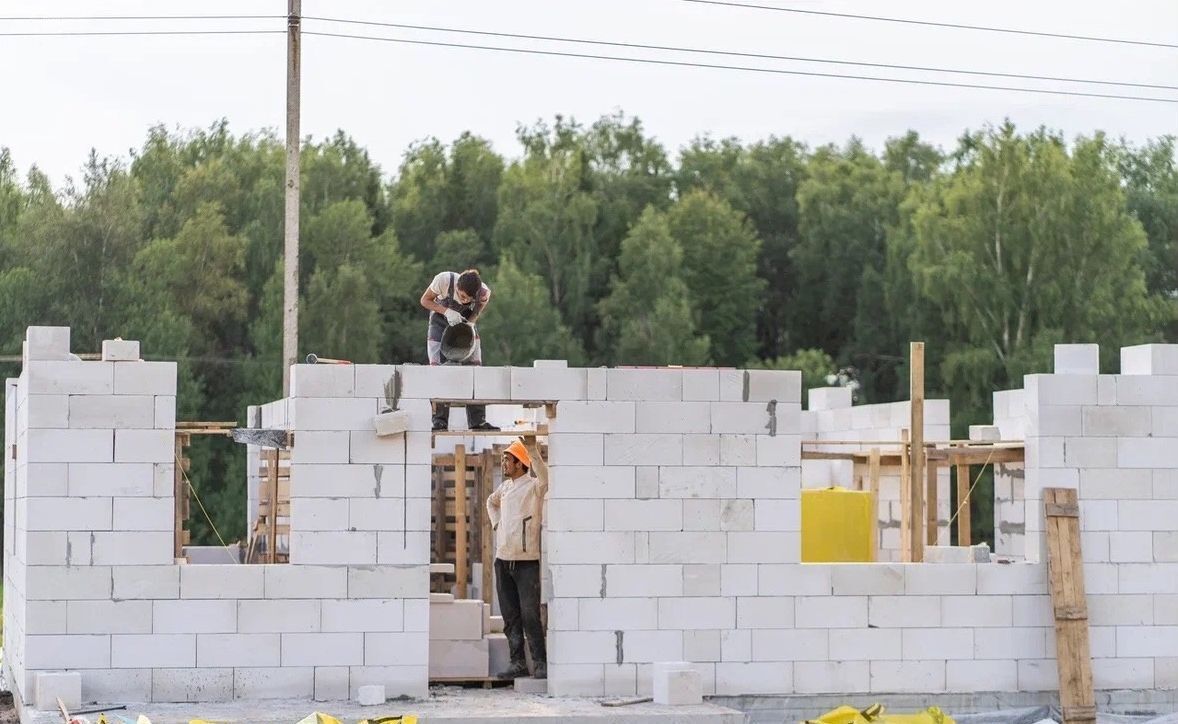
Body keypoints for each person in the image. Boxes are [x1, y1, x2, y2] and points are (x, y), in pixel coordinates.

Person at [486, 435, 548, 680]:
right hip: (503, 562)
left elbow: (546, 478)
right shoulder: (504, 488)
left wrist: (533, 450)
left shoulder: (534, 486)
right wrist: (496, 524)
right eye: (503, 460)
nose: (504, 464)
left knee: (530, 614)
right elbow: (491, 503)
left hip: (526, 564)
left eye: (508, 460)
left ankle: (540, 663)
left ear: (521, 463)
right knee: (511, 617)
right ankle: (518, 663)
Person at [419, 269, 499, 432]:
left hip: (464, 323)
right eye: (460, 295)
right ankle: (439, 421)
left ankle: (478, 420)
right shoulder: (443, 280)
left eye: (466, 299)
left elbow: (474, 315)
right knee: (438, 369)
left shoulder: (483, 294)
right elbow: (425, 301)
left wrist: (467, 328)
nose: (462, 300)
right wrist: (447, 311)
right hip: (439, 322)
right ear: (457, 286)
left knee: (475, 368)